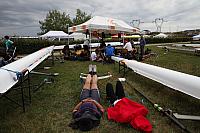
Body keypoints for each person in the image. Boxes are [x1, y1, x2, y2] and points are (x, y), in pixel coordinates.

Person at [69, 65, 104, 131]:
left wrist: (83, 102)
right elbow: (102, 109)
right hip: (94, 99)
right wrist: (94, 101)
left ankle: (90, 72)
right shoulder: (96, 116)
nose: (87, 114)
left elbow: (74, 110)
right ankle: (95, 73)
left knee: (87, 83)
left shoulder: (77, 116)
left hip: (84, 99)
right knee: (94, 83)